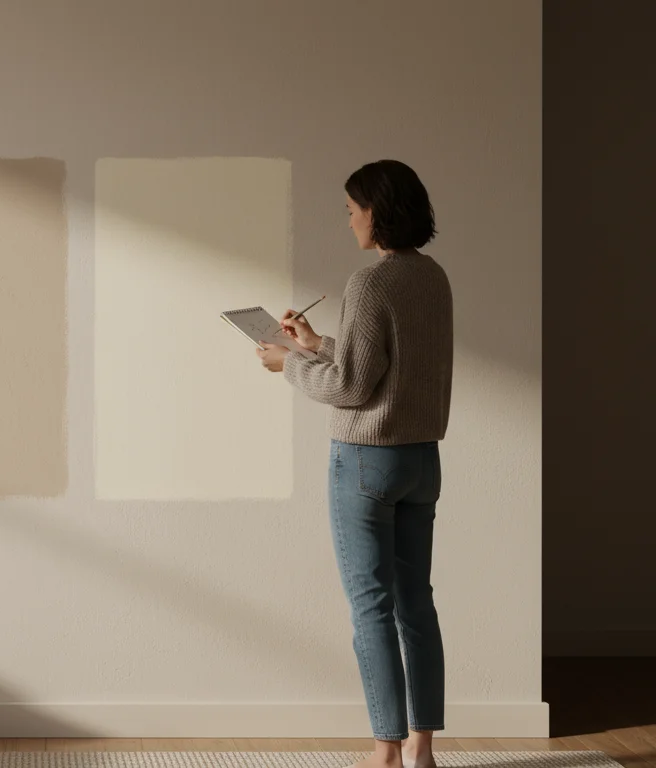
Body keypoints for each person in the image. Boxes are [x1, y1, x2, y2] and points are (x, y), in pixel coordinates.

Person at [257, 159, 453, 768]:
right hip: (421, 461)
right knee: (416, 603)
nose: (348, 222)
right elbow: (389, 367)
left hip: (366, 461)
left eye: (351, 210)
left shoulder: (370, 284)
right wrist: (316, 344)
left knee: (372, 608)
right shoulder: (433, 278)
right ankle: (421, 749)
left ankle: (384, 753)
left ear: (377, 211)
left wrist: (287, 364)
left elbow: (351, 387)